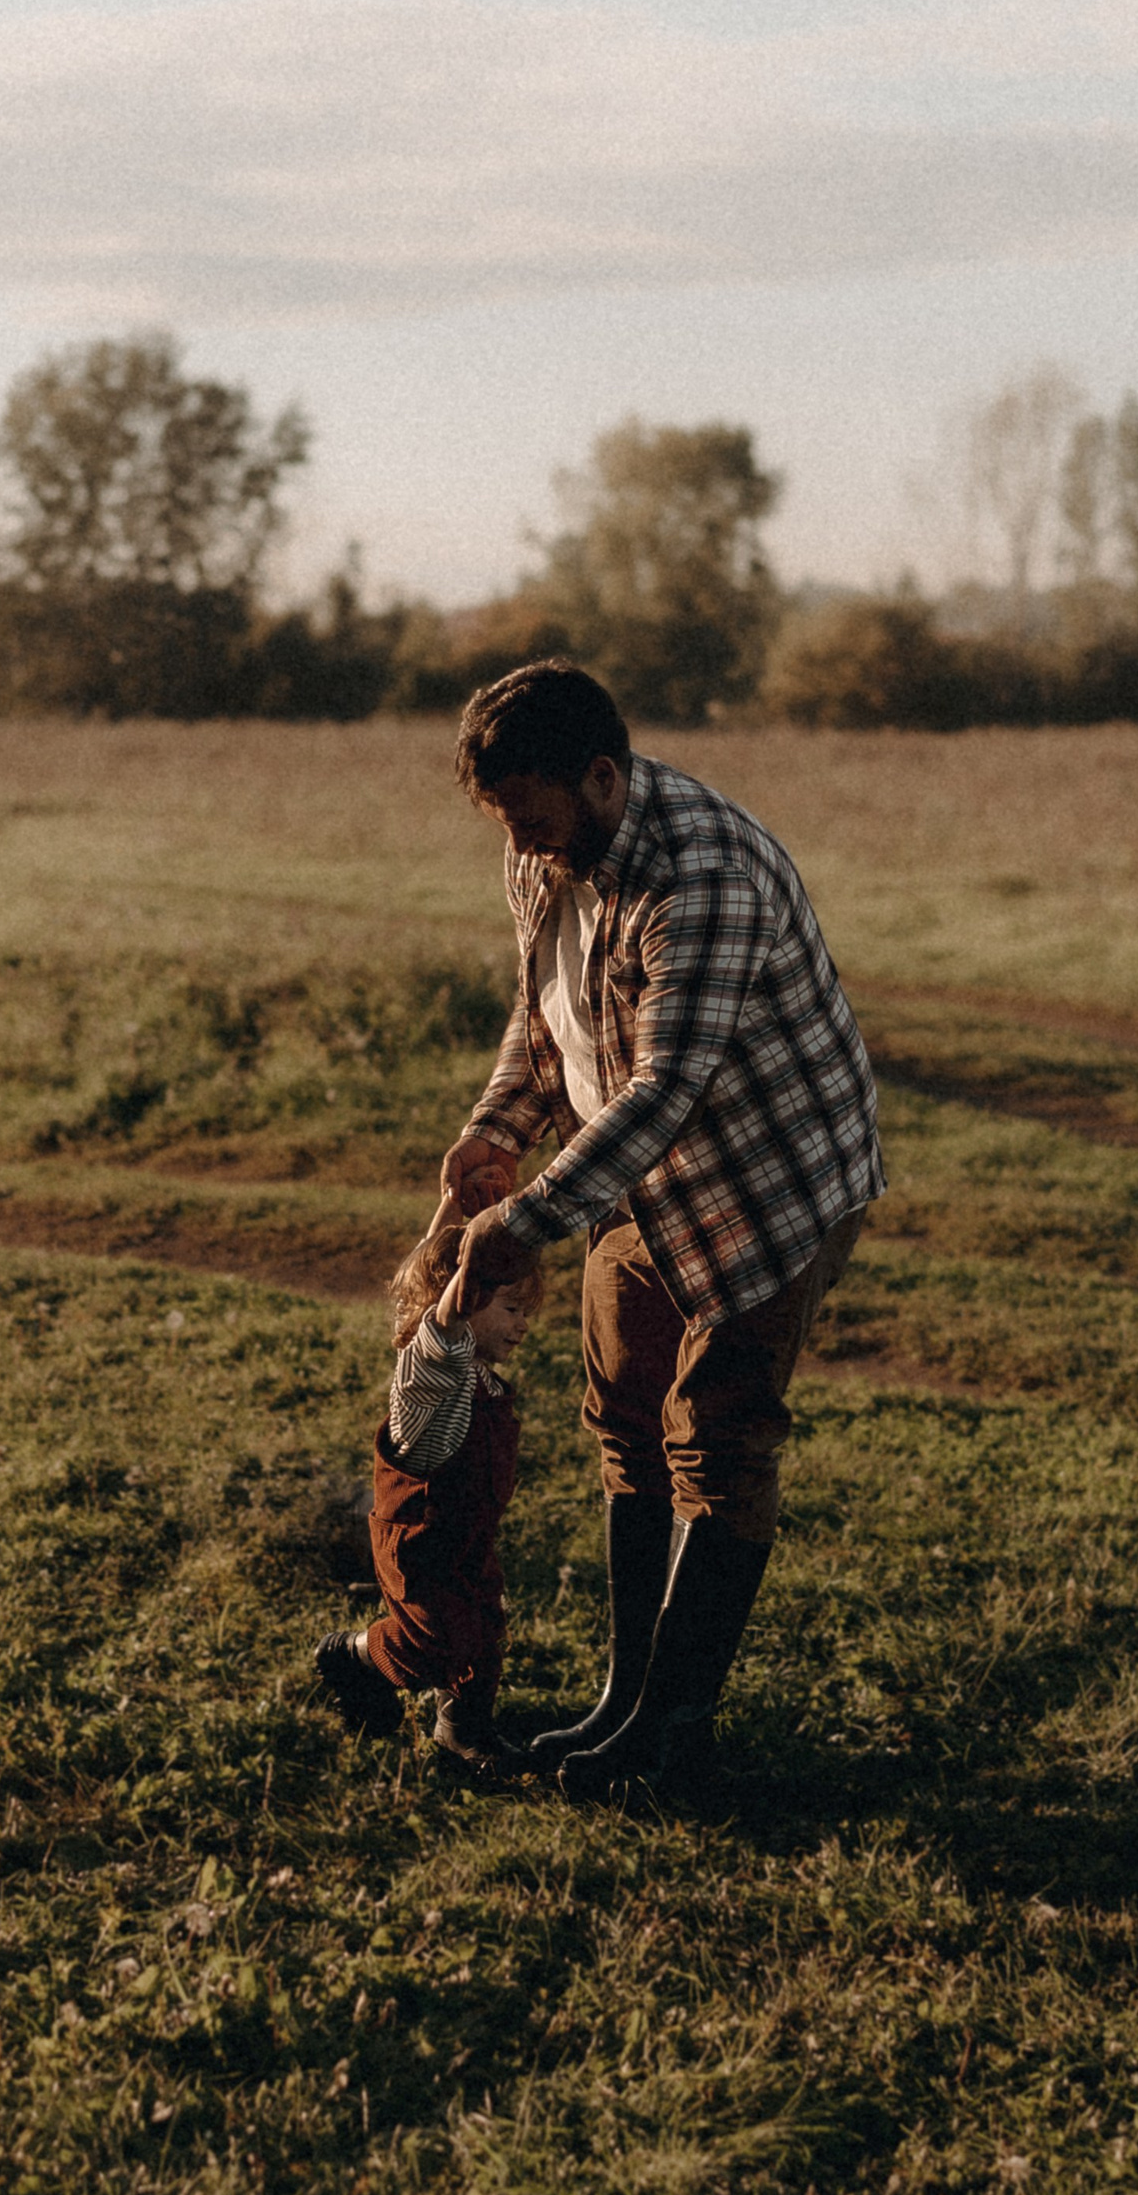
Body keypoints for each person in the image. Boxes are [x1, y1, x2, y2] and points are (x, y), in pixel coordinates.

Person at [439, 659, 883, 1795]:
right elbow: (548, 1016)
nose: (528, 850)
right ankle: (620, 1706)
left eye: (539, 823)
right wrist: (496, 1131)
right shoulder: (545, 851)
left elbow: (665, 1085)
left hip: (766, 1181)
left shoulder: (707, 875)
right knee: (626, 1423)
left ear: (599, 777)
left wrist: (530, 1219)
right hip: (628, 1180)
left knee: (717, 1438)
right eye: (511, 829)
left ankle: (672, 1733)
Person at [314, 1191, 542, 1779]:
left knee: (485, 1630)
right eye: (512, 1308)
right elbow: (437, 1320)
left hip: (465, 1533)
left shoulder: (480, 1375)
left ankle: (462, 1730)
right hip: (420, 1537)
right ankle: (354, 1657)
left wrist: (450, 1212)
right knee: (430, 1644)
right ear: (465, 1302)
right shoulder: (432, 1370)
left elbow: (423, 1278)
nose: (524, 1325)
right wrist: (465, 1271)